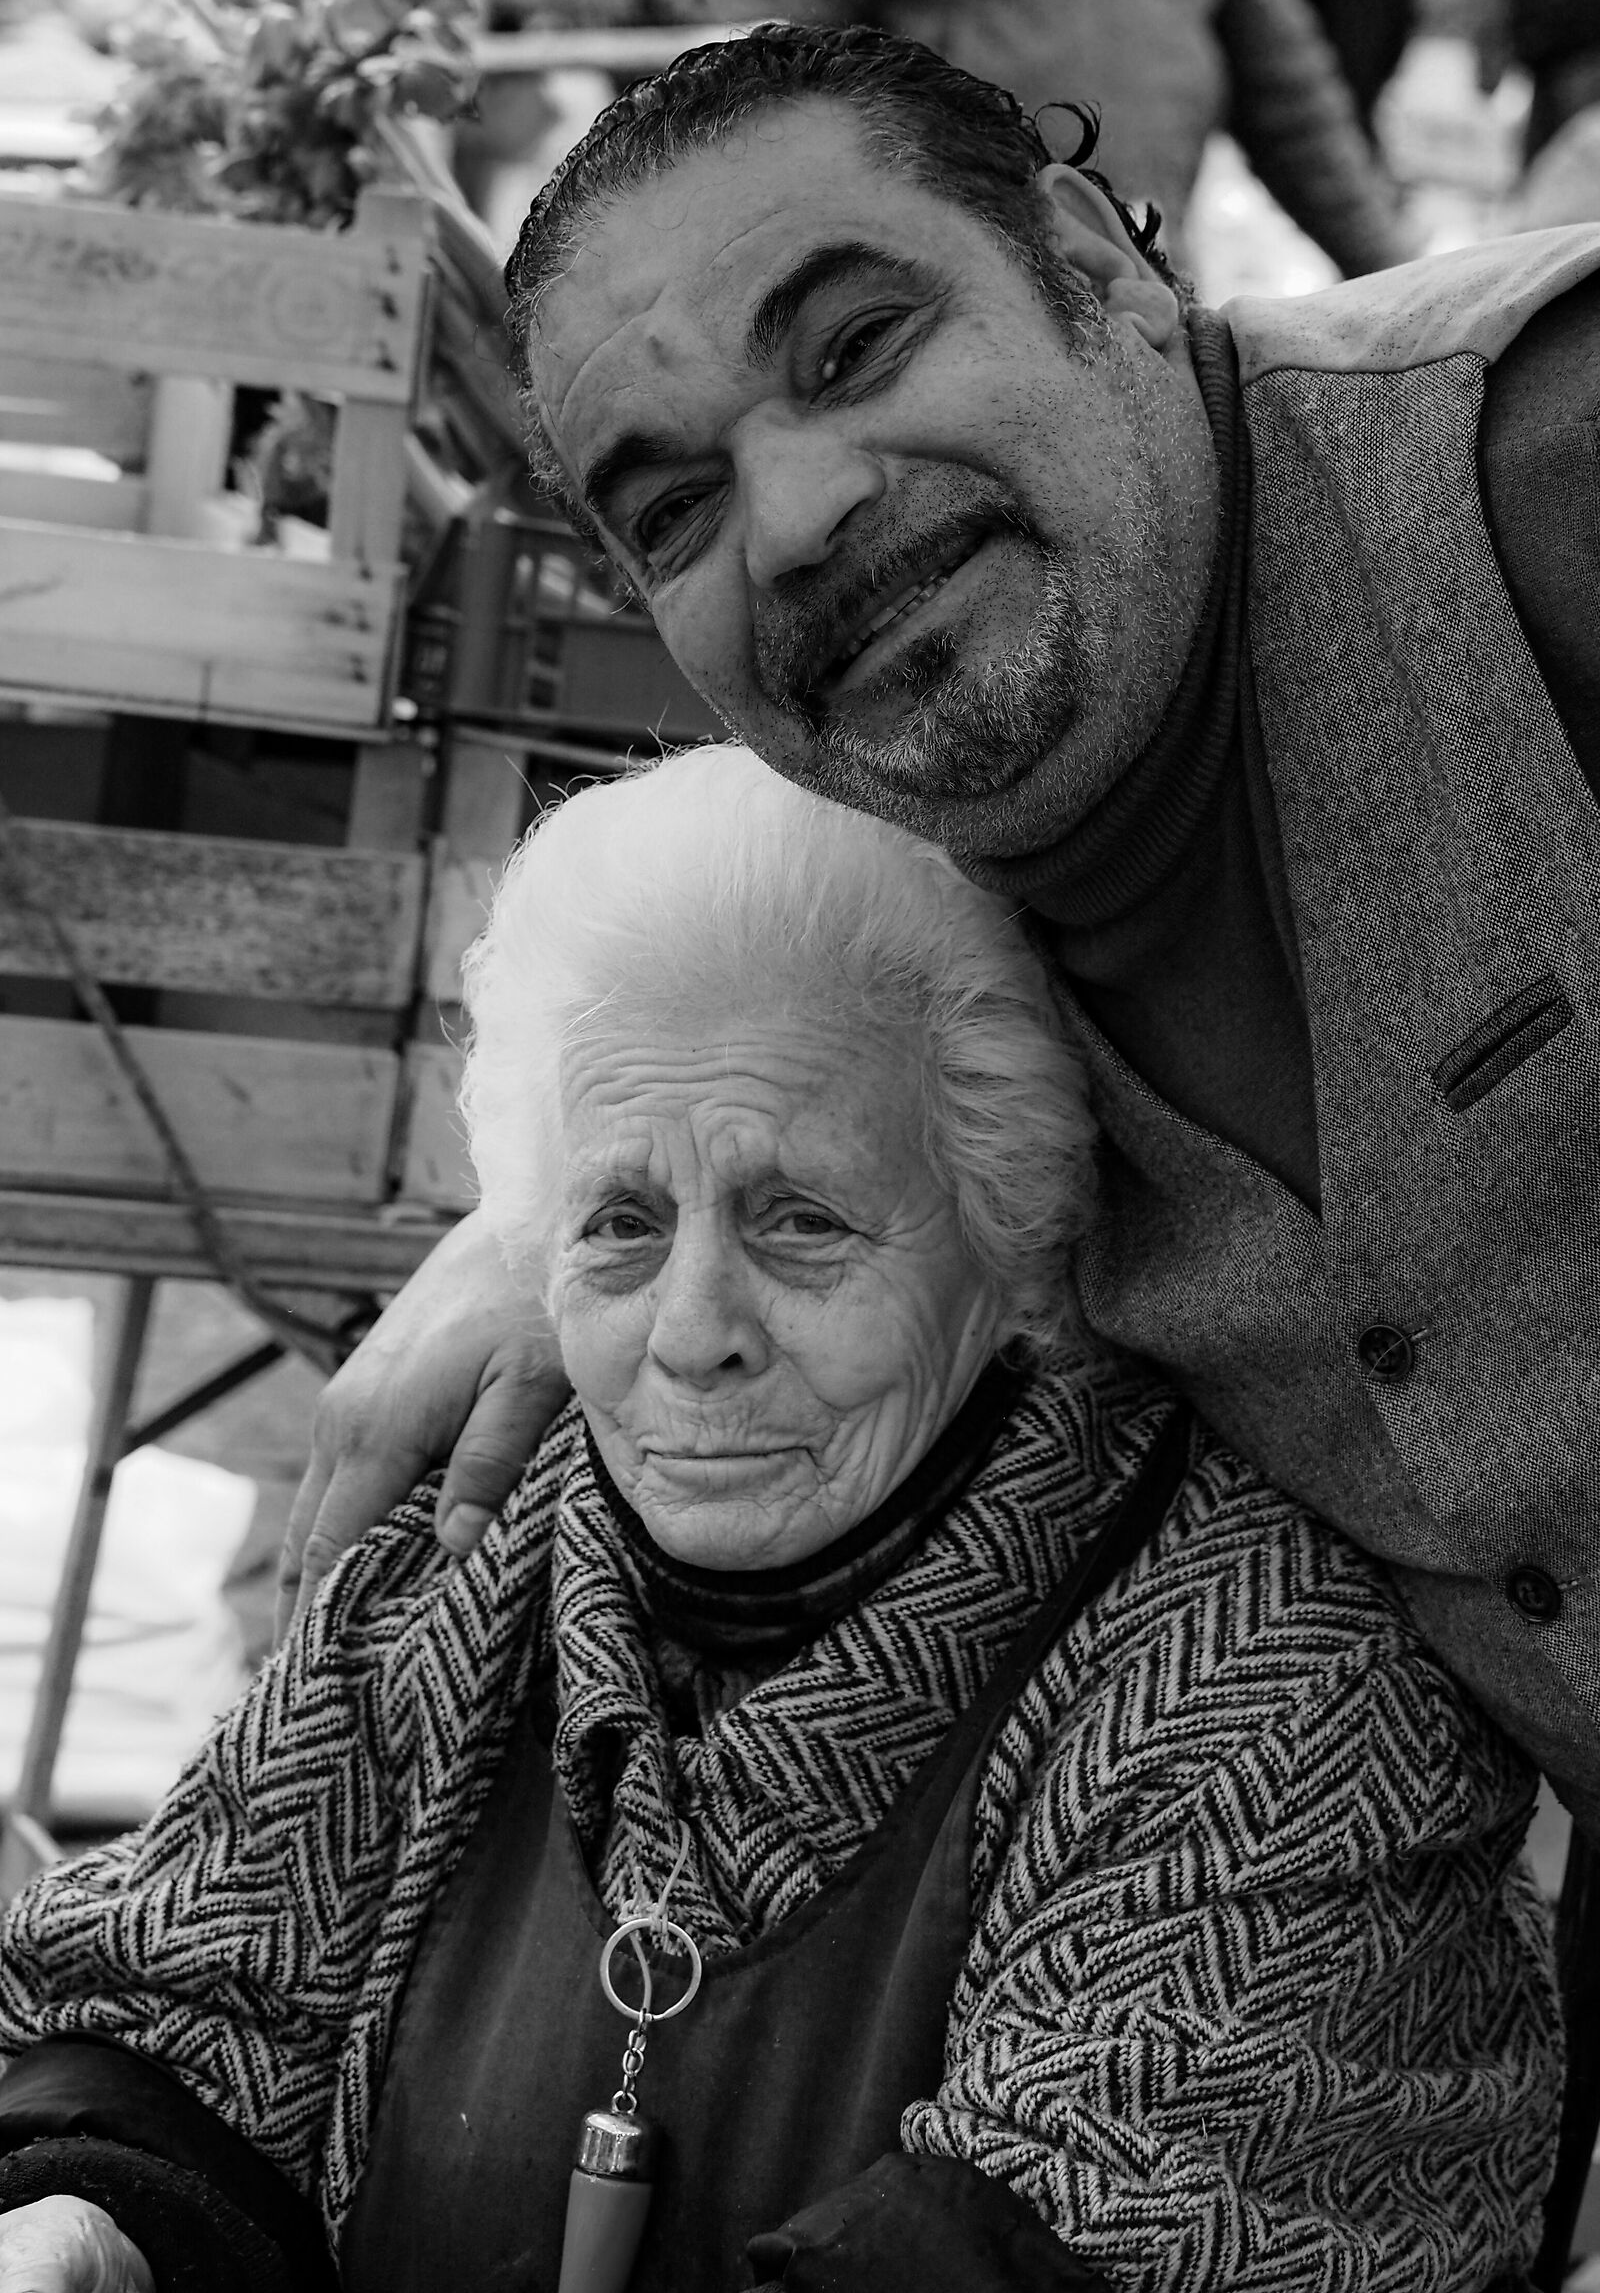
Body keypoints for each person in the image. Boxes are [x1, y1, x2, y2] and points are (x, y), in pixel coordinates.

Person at [0, 749, 1561, 2293]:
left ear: (1010, 1239)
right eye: (620, 1224)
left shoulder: (1273, 1700)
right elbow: (181, 2006)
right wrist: (97, 2218)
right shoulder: (465, 1579)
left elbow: (1086, 2238)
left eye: (798, 1219)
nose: (692, 1332)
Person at [280, 23, 1600, 1848]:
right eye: (677, 508)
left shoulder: (1543, 479)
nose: (804, 513)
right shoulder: (933, 910)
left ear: (1093, 261)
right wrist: (560, 1218)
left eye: (859, 346)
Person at [731, 0, 1410, 274]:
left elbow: (1293, 109)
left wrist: (1398, 275)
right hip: (939, 282)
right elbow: (766, 82)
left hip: (1144, 273)